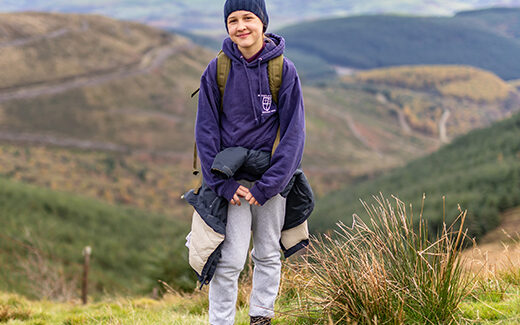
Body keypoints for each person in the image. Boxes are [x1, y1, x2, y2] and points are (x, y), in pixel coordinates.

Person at [195, 0, 306, 323]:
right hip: (232, 184)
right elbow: (205, 132)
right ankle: (221, 320)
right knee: (228, 260)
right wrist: (223, 184)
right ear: (226, 26)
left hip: (270, 180)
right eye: (233, 20)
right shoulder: (216, 69)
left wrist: (269, 185)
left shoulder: (283, 70)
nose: (241, 26)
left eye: (248, 18)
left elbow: (294, 135)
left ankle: (261, 317)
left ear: (263, 23)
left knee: (268, 253)